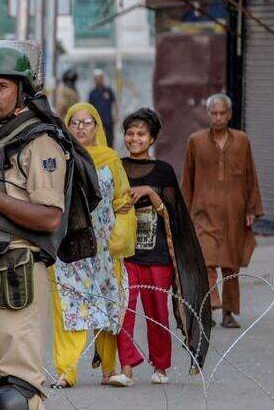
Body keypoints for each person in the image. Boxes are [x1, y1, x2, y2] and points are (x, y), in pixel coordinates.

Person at [0, 40, 101, 410]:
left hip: (16, 276)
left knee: (15, 396)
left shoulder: (40, 141)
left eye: (2, 86)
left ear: (22, 90)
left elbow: (49, 216)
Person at [106, 108, 212, 387]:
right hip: (126, 254)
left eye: (141, 134)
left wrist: (151, 194)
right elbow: (105, 207)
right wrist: (120, 205)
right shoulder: (116, 167)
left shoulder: (163, 171)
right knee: (124, 310)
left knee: (158, 312)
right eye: (130, 133)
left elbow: (173, 215)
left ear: (152, 138)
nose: (134, 138)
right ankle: (126, 368)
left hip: (157, 256)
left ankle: (161, 366)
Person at [51, 102, 136, 388]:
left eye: (87, 123)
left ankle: (108, 368)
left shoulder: (111, 159)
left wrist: (121, 235)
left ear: (97, 126)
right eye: (74, 122)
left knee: (108, 302)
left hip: (103, 246)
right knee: (69, 304)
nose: (80, 128)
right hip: (70, 245)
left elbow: (122, 199)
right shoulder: (59, 156)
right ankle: (67, 371)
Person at [182, 94, 263, 330]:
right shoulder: (195, 142)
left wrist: (251, 208)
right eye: (214, 113)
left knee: (230, 266)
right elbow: (187, 180)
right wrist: (182, 213)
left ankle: (228, 313)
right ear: (208, 115)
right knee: (205, 260)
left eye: (222, 113)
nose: (218, 118)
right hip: (203, 212)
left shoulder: (242, 141)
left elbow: (251, 176)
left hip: (233, 214)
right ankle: (212, 302)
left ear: (229, 115)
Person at [87, 69, 117, 146]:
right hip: (97, 121)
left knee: (110, 140)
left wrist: (115, 115)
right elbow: (89, 108)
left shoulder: (108, 91)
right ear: (94, 80)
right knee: (98, 140)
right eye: (97, 78)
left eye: (100, 78)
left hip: (108, 120)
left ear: (103, 78)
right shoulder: (92, 93)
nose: (98, 80)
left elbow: (114, 103)